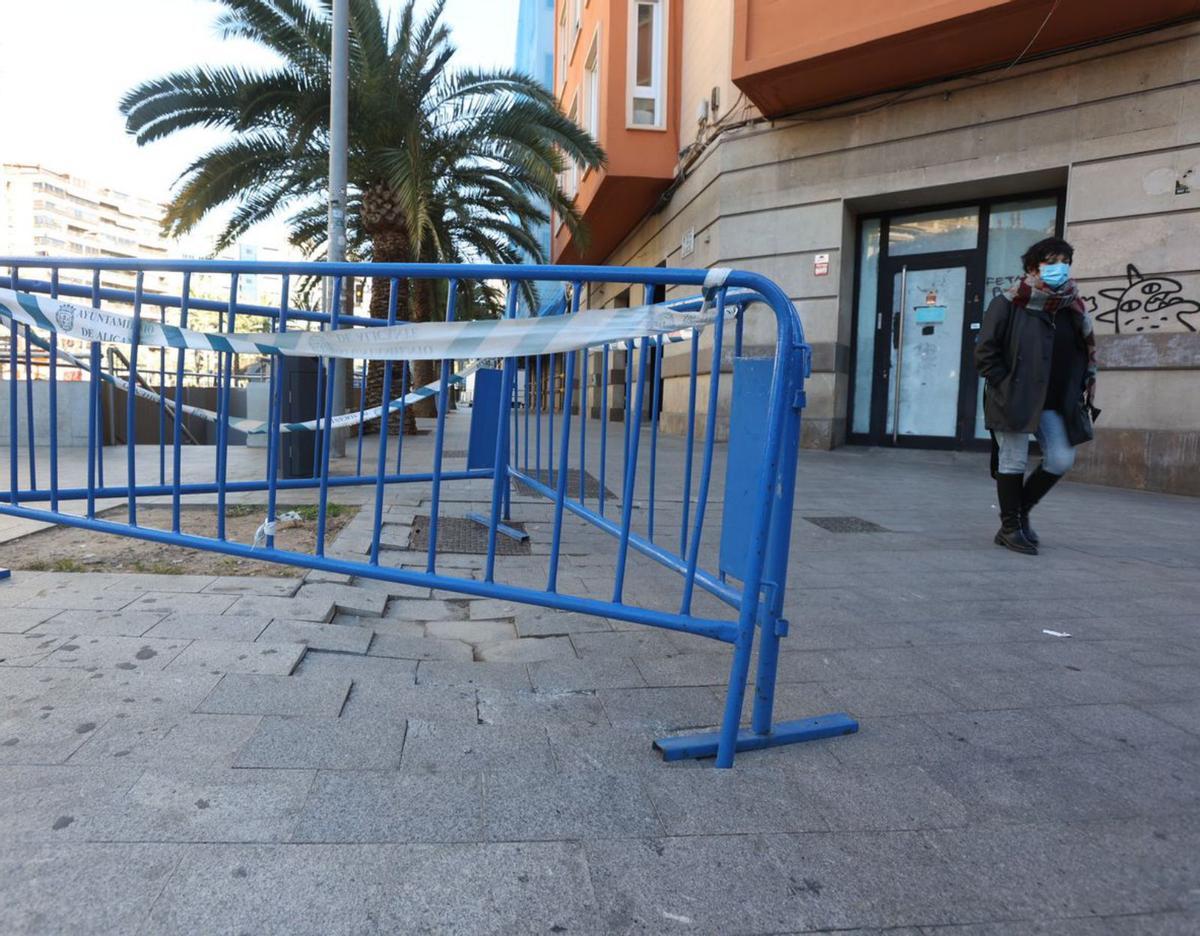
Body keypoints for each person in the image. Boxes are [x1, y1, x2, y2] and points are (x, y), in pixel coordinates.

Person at [974, 236, 1098, 555]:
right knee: (1012, 459)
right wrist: (1004, 383)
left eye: (1065, 262)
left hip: (1056, 400)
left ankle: (1020, 512)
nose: (1060, 268)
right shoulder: (1009, 302)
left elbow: (1083, 350)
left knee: (1060, 458)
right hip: (1015, 397)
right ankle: (1010, 527)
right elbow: (985, 350)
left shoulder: (1072, 306)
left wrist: (1081, 385)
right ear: (1033, 266)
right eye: (1052, 261)